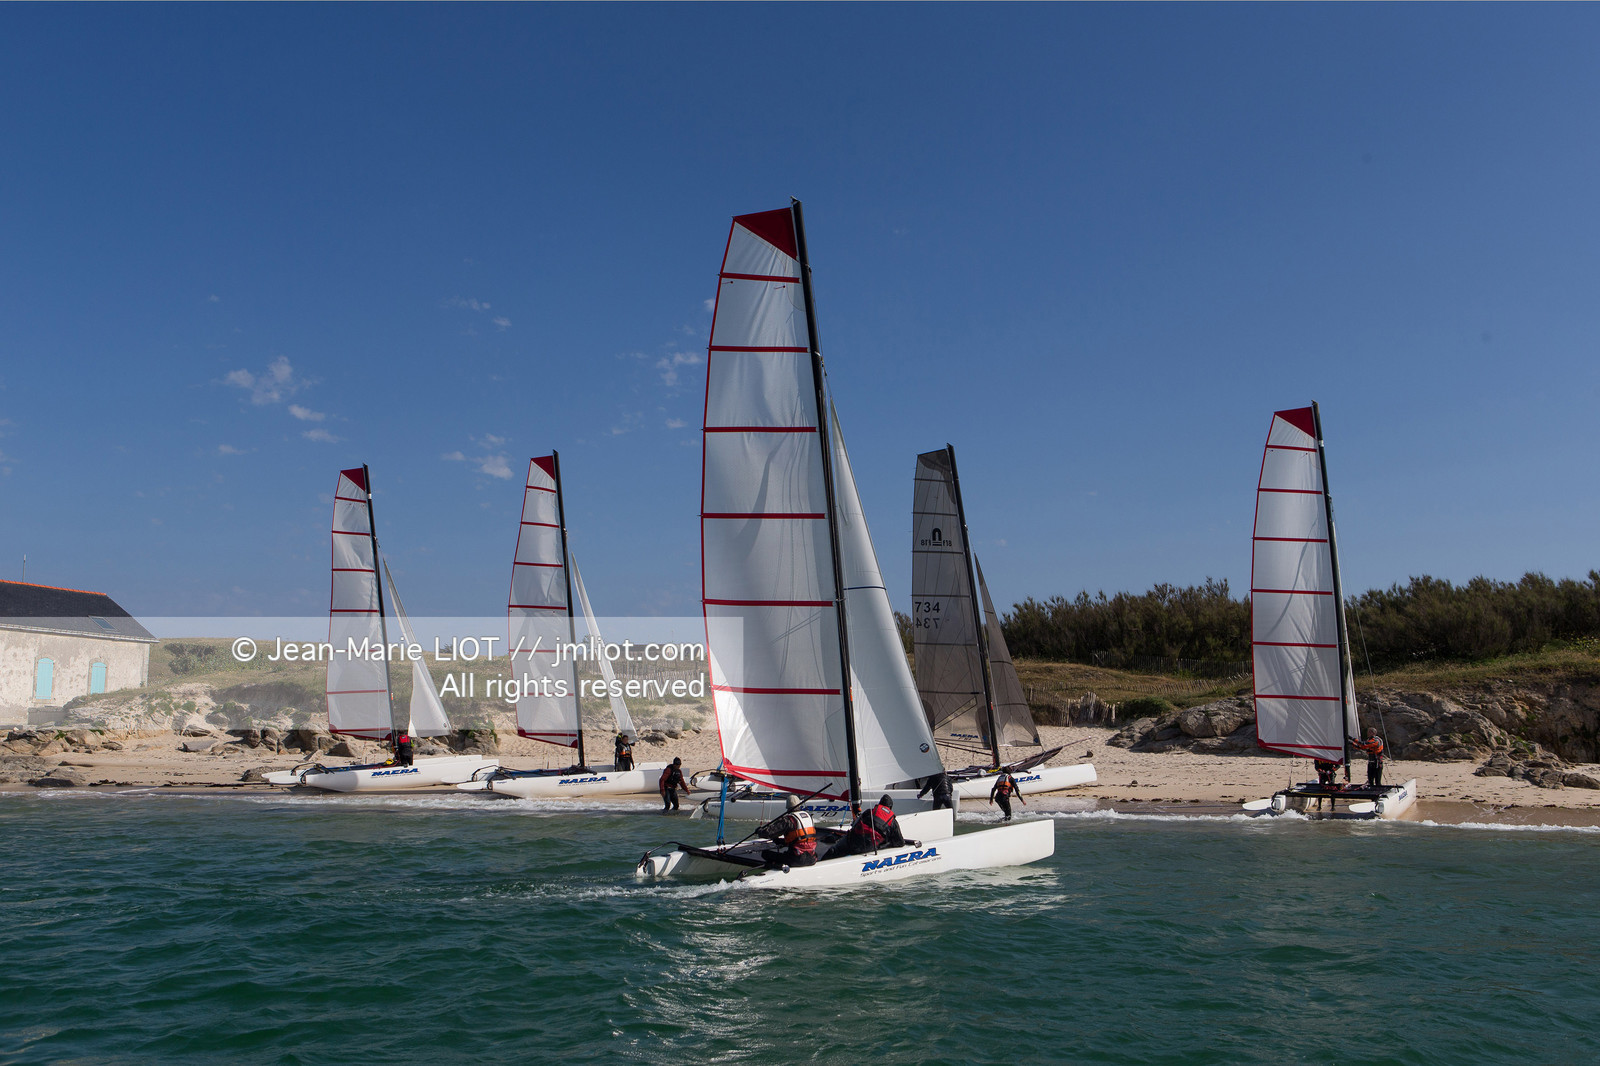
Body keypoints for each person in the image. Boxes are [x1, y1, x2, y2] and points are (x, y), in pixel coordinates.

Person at [825, 794, 908, 859]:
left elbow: (854, 825)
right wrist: (885, 844)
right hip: (867, 847)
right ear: (890, 808)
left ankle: (821, 863)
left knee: (834, 850)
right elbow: (900, 842)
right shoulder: (892, 821)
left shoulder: (870, 811)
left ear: (879, 804)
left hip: (853, 841)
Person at [758, 794, 818, 868]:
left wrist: (759, 831)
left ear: (787, 807)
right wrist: (780, 841)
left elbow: (767, 833)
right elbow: (800, 839)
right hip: (812, 858)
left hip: (797, 859)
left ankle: (777, 869)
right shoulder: (809, 817)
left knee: (765, 854)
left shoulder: (788, 820)